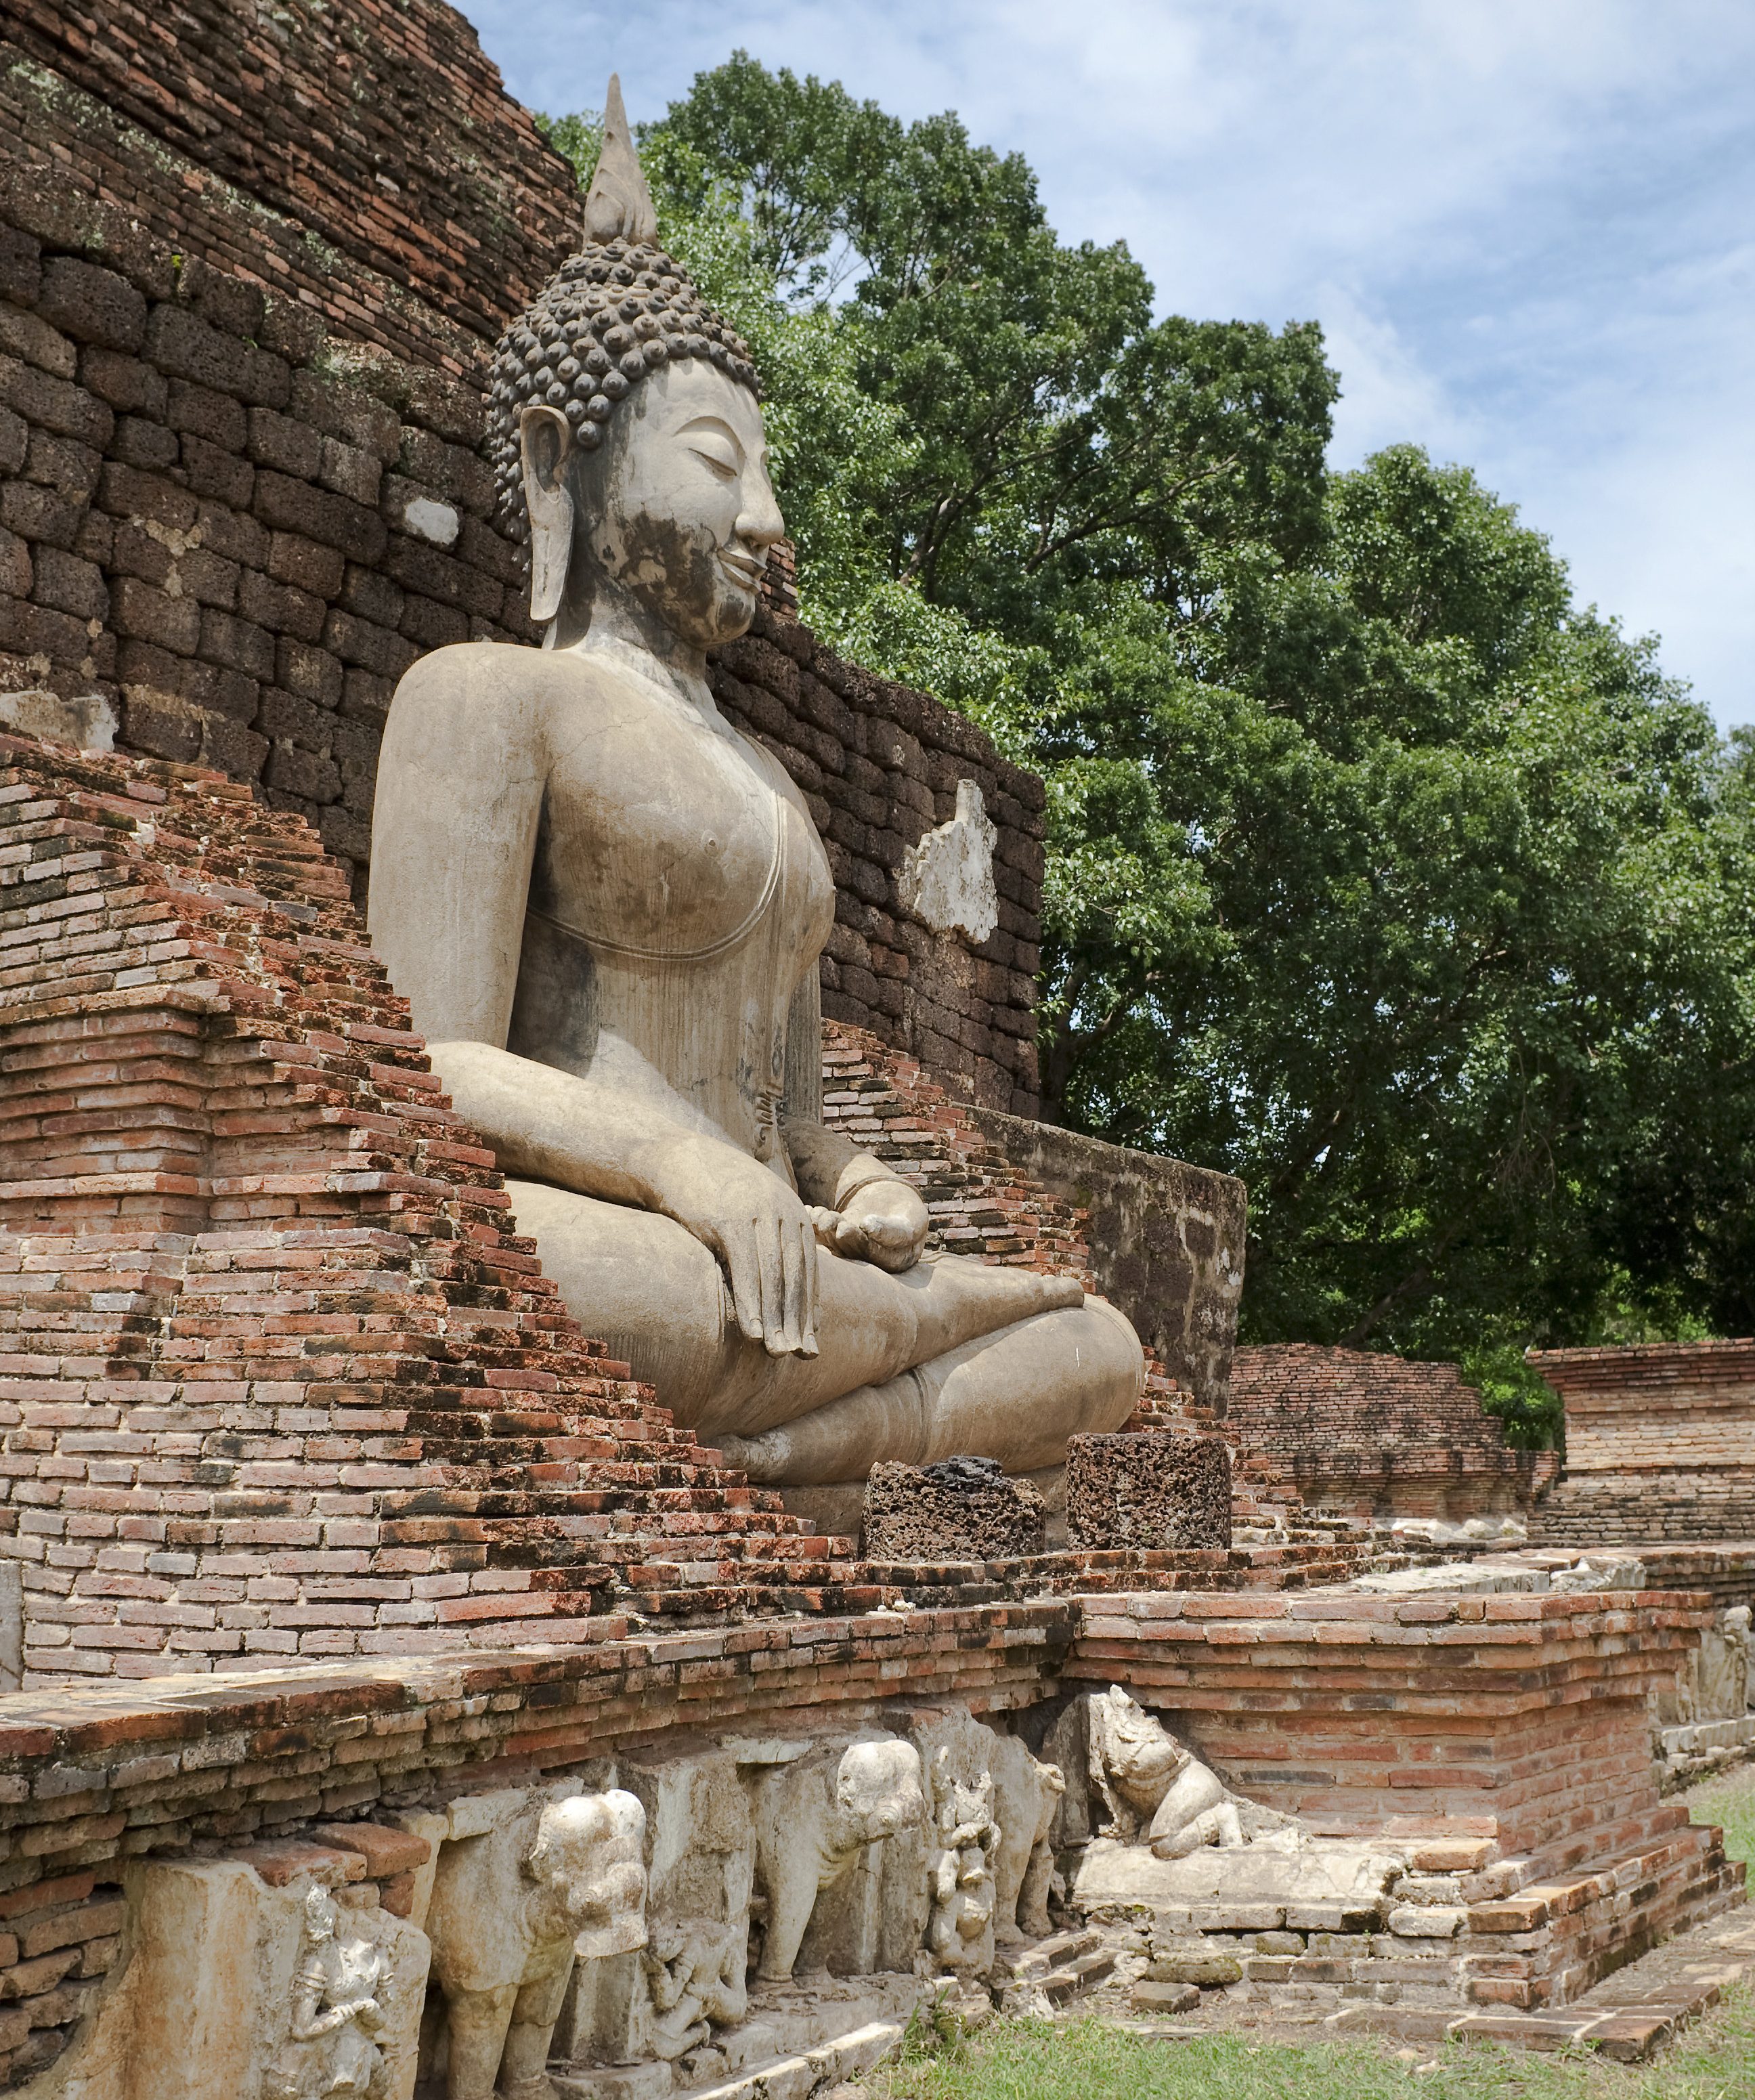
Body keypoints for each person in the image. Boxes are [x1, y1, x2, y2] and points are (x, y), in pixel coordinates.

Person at [368, 79, 1142, 1500]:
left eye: (764, 472)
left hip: (780, 1261)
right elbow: (434, 1061)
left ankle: (815, 1438)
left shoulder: (773, 779)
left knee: (1104, 1347)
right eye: (720, 465)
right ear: (563, 459)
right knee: (586, 1289)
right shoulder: (487, 696)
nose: (766, 522)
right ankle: (885, 1406)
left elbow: (790, 1116)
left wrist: (856, 1189)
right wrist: (682, 1167)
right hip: (627, 1229)